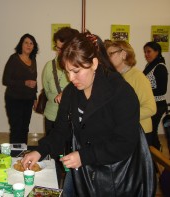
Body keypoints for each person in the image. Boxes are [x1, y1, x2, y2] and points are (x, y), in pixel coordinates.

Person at [21, 32, 155, 196]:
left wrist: (84, 156)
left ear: (94, 63)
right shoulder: (71, 92)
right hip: (84, 166)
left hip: (117, 174)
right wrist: (40, 150)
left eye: (76, 71)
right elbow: (60, 130)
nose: (71, 78)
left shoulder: (121, 92)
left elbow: (125, 142)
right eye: (67, 72)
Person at [42, 27, 79, 189]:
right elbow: (47, 91)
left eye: (61, 48)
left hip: (73, 120)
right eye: (57, 47)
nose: (58, 52)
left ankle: (71, 185)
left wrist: (67, 96)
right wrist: (56, 97)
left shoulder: (81, 67)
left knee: (72, 157)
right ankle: (55, 187)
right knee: (55, 155)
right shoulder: (49, 66)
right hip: (52, 116)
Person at [105, 40, 156, 145]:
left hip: (140, 132)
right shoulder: (116, 77)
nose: (107, 58)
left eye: (110, 54)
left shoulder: (138, 77)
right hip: (124, 130)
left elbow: (151, 108)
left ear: (123, 54)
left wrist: (123, 117)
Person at [2, 33, 39, 144]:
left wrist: (35, 98)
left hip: (28, 100)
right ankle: (14, 155)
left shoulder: (33, 60)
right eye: (26, 42)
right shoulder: (14, 59)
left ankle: (23, 153)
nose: (28, 45)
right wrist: (24, 83)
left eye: (31, 43)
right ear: (21, 44)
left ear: (34, 46)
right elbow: (6, 80)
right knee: (16, 128)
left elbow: (34, 81)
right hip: (14, 99)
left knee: (25, 128)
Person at [143, 41, 168, 150]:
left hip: (158, 105)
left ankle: (157, 154)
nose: (146, 54)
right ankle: (155, 153)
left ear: (157, 52)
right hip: (151, 103)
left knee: (152, 132)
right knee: (151, 131)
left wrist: (145, 91)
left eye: (149, 51)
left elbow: (162, 90)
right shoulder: (149, 65)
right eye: (145, 52)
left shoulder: (160, 67)